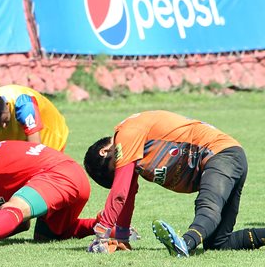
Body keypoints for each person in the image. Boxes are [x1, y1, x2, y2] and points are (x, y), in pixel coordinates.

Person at [83, 110, 265, 256]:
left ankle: (184, 243)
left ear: (104, 151)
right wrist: (122, 237)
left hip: (221, 154)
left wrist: (102, 230)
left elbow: (120, 192)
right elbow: (128, 194)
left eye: (115, 169)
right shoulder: (135, 152)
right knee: (219, 243)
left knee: (209, 206)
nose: (122, 170)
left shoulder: (127, 133)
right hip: (227, 158)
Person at [0, 141, 95, 254]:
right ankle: (107, 226)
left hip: (59, 173)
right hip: (71, 175)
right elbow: (23, 225)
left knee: (14, 208)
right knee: (48, 235)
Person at [0, 85, 67, 155]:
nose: (4, 127)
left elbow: (36, 149)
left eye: (5, 121)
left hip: (47, 136)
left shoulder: (23, 104)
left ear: (7, 105)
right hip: (14, 136)